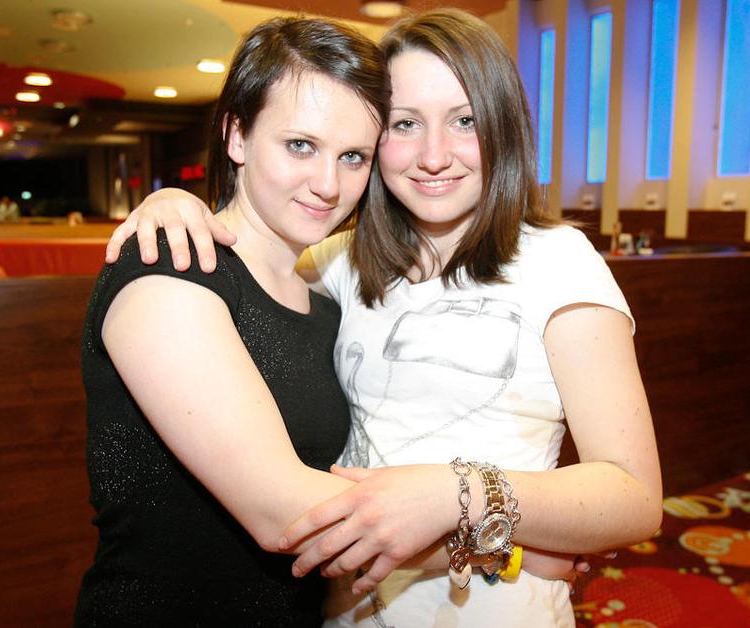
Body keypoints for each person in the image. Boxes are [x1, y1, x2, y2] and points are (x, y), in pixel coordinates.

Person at [106, 9, 662, 627]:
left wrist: (457, 493)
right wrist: (171, 202)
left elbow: (635, 496)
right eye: (405, 124)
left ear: (502, 126)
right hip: (340, 610)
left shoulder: (557, 260)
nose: (433, 155)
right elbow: (240, 261)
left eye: (465, 121)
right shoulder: (335, 262)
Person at [75, 16, 395, 625]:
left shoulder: (324, 304)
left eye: (353, 157)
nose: (328, 185)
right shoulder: (170, 267)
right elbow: (284, 512)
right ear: (237, 136)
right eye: (300, 145)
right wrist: (490, 527)